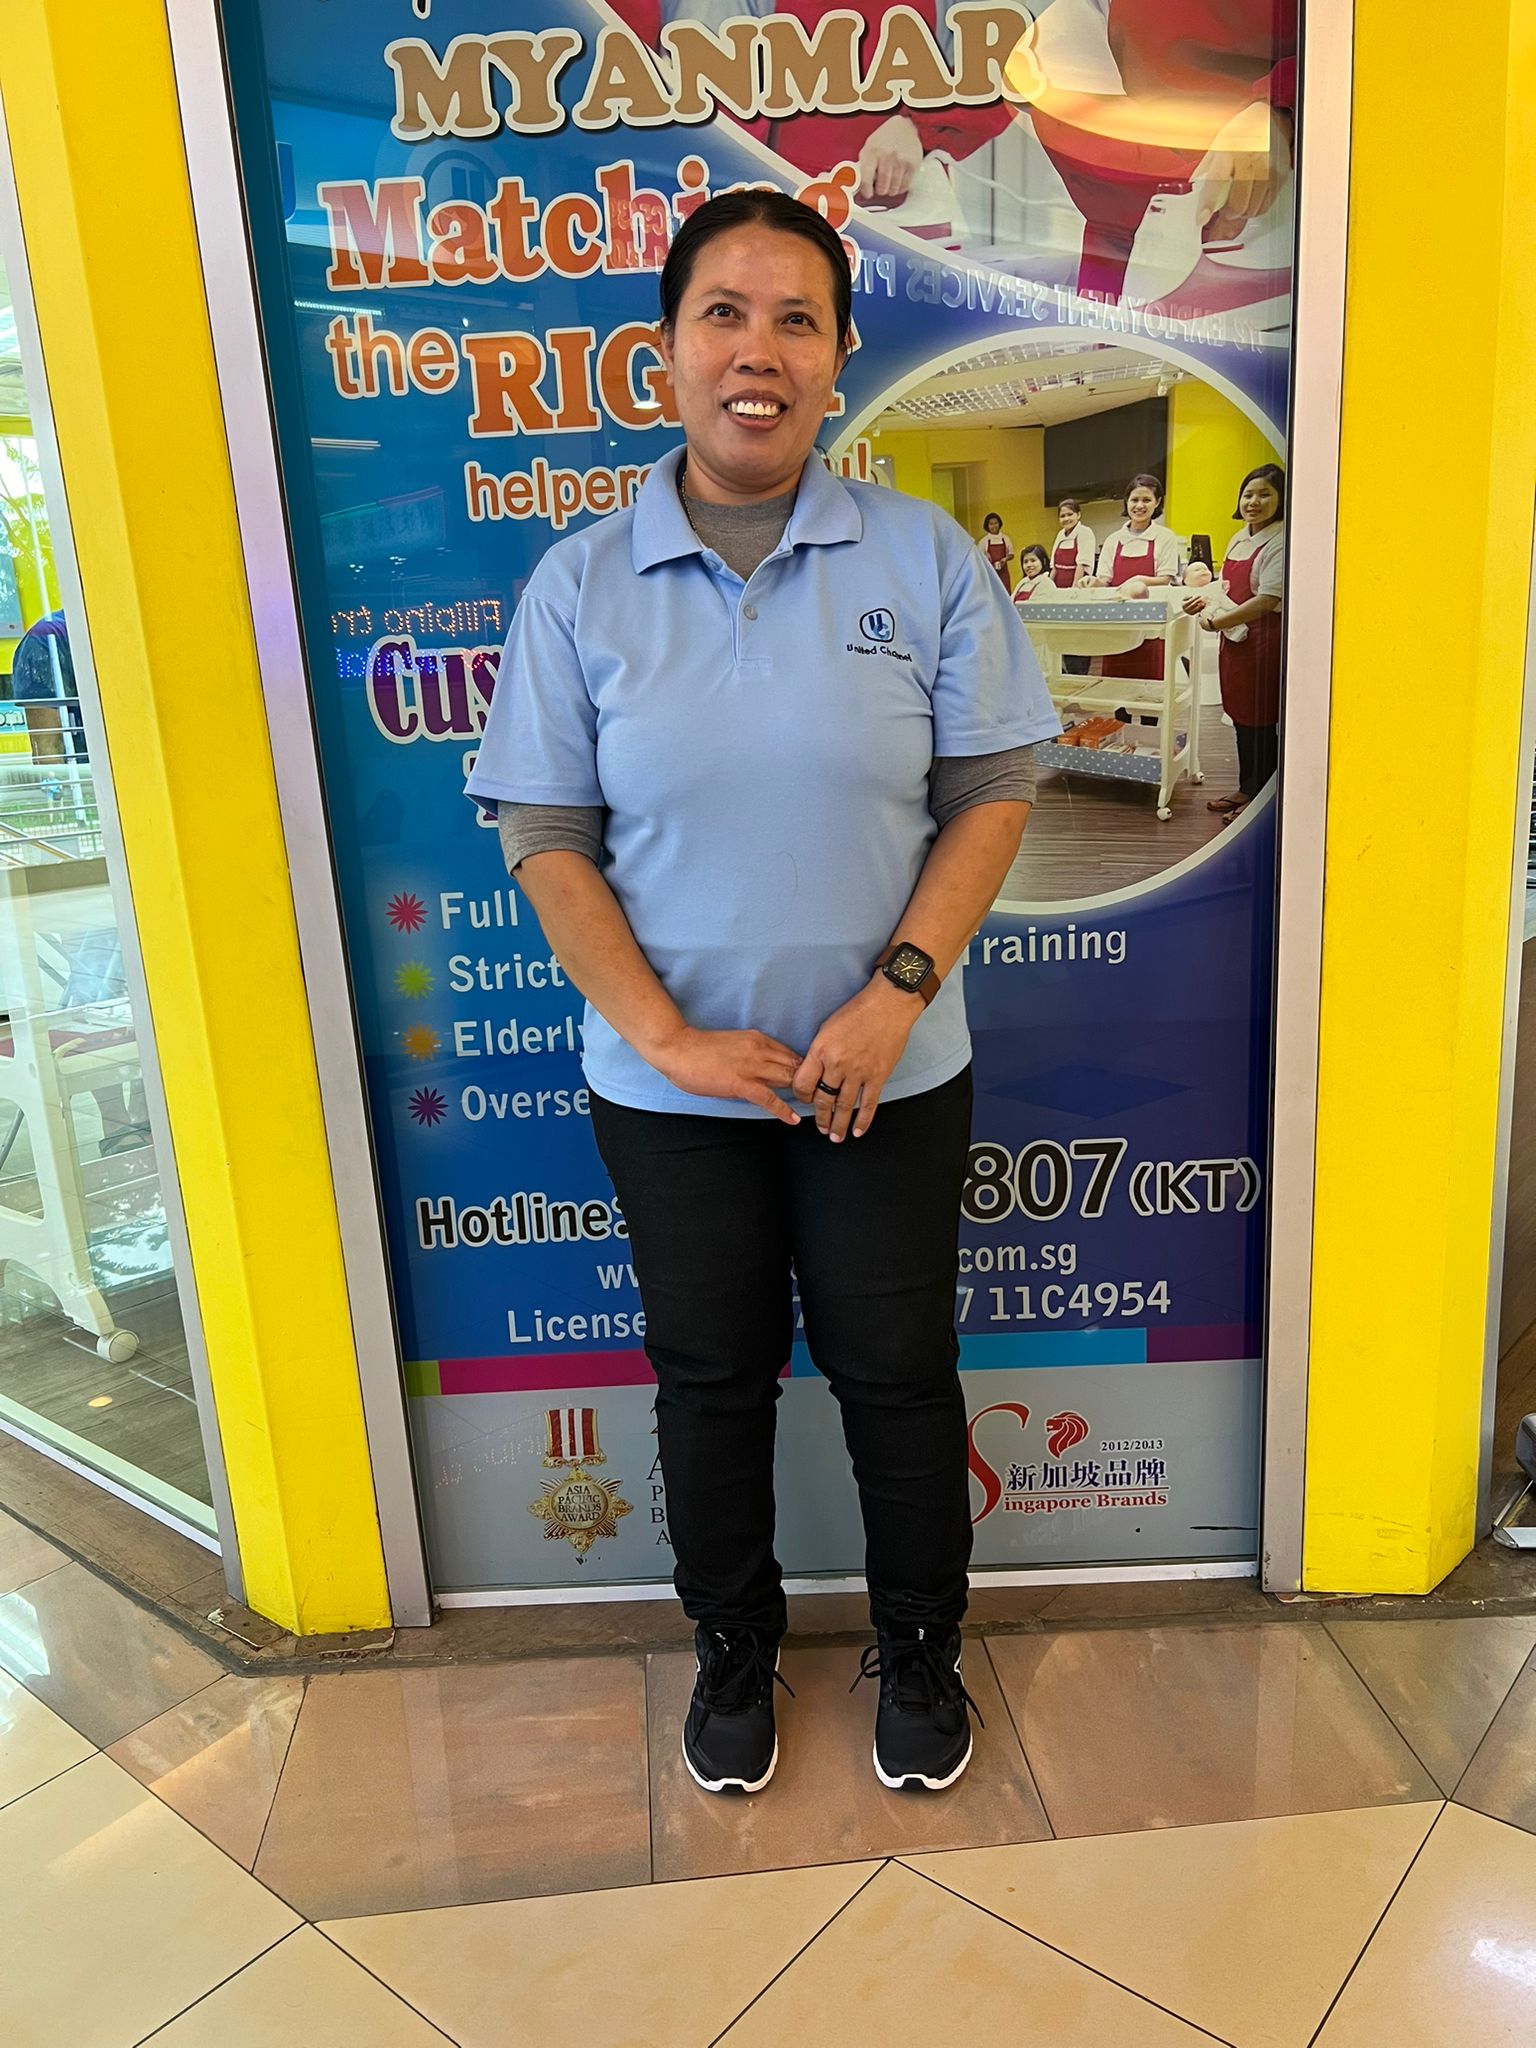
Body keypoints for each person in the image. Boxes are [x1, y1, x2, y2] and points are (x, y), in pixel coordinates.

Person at [466, 189, 1059, 1797]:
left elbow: (993, 790)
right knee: (711, 1380)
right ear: (663, 354)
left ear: (837, 356)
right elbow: (544, 834)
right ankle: (732, 1646)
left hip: (888, 1075)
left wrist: (896, 994)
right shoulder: (580, 586)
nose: (758, 351)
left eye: (797, 319)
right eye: (722, 314)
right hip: (672, 1094)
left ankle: (920, 1646)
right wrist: (662, 1037)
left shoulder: (922, 558)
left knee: (897, 1374)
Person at [1184, 461, 1285, 816]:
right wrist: (1204, 601)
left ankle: (1263, 803)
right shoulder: (1239, 538)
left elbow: (1267, 599)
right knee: (1242, 718)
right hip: (1234, 641)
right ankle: (1248, 789)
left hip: (1263, 640)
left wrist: (1216, 622)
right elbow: (1226, 587)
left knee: (1262, 721)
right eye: (1248, 494)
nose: (1253, 502)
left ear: (1281, 499)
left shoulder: (1280, 540)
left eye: (1264, 495)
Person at [1085, 472, 1181, 685]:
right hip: (1117, 626)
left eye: (1146, 500)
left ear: (1158, 502)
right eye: (1134, 499)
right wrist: (1092, 582)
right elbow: (1104, 580)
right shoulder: (1113, 540)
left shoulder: (1165, 537)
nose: (1139, 505)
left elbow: (1165, 579)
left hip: (1151, 626)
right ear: (1126, 502)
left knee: (1150, 688)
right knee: (1115, 686)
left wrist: (1139, 580)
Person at [1049, 499, 1097, 588]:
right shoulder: (1060, 534)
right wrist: (1049, 588)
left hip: (1078, 588)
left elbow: (1082, 565)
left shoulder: (1085, 532)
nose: (1066, 518)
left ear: (1078, 515)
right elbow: (1054, 568)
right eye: (1062, 516)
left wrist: (1073, 590)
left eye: (1070, 514)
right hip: (1058, 589)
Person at [980, 512, 1013, 586]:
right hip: (990, 573)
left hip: (1004, 573)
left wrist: (1005, 559)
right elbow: (978, 557)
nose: (994, 526)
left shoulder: (1005, 538)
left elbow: (1011, 554)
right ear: (987, 526)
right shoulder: (983, 541)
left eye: (996, 523)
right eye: (991, 524)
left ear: (999, 524)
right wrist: (985, 555)